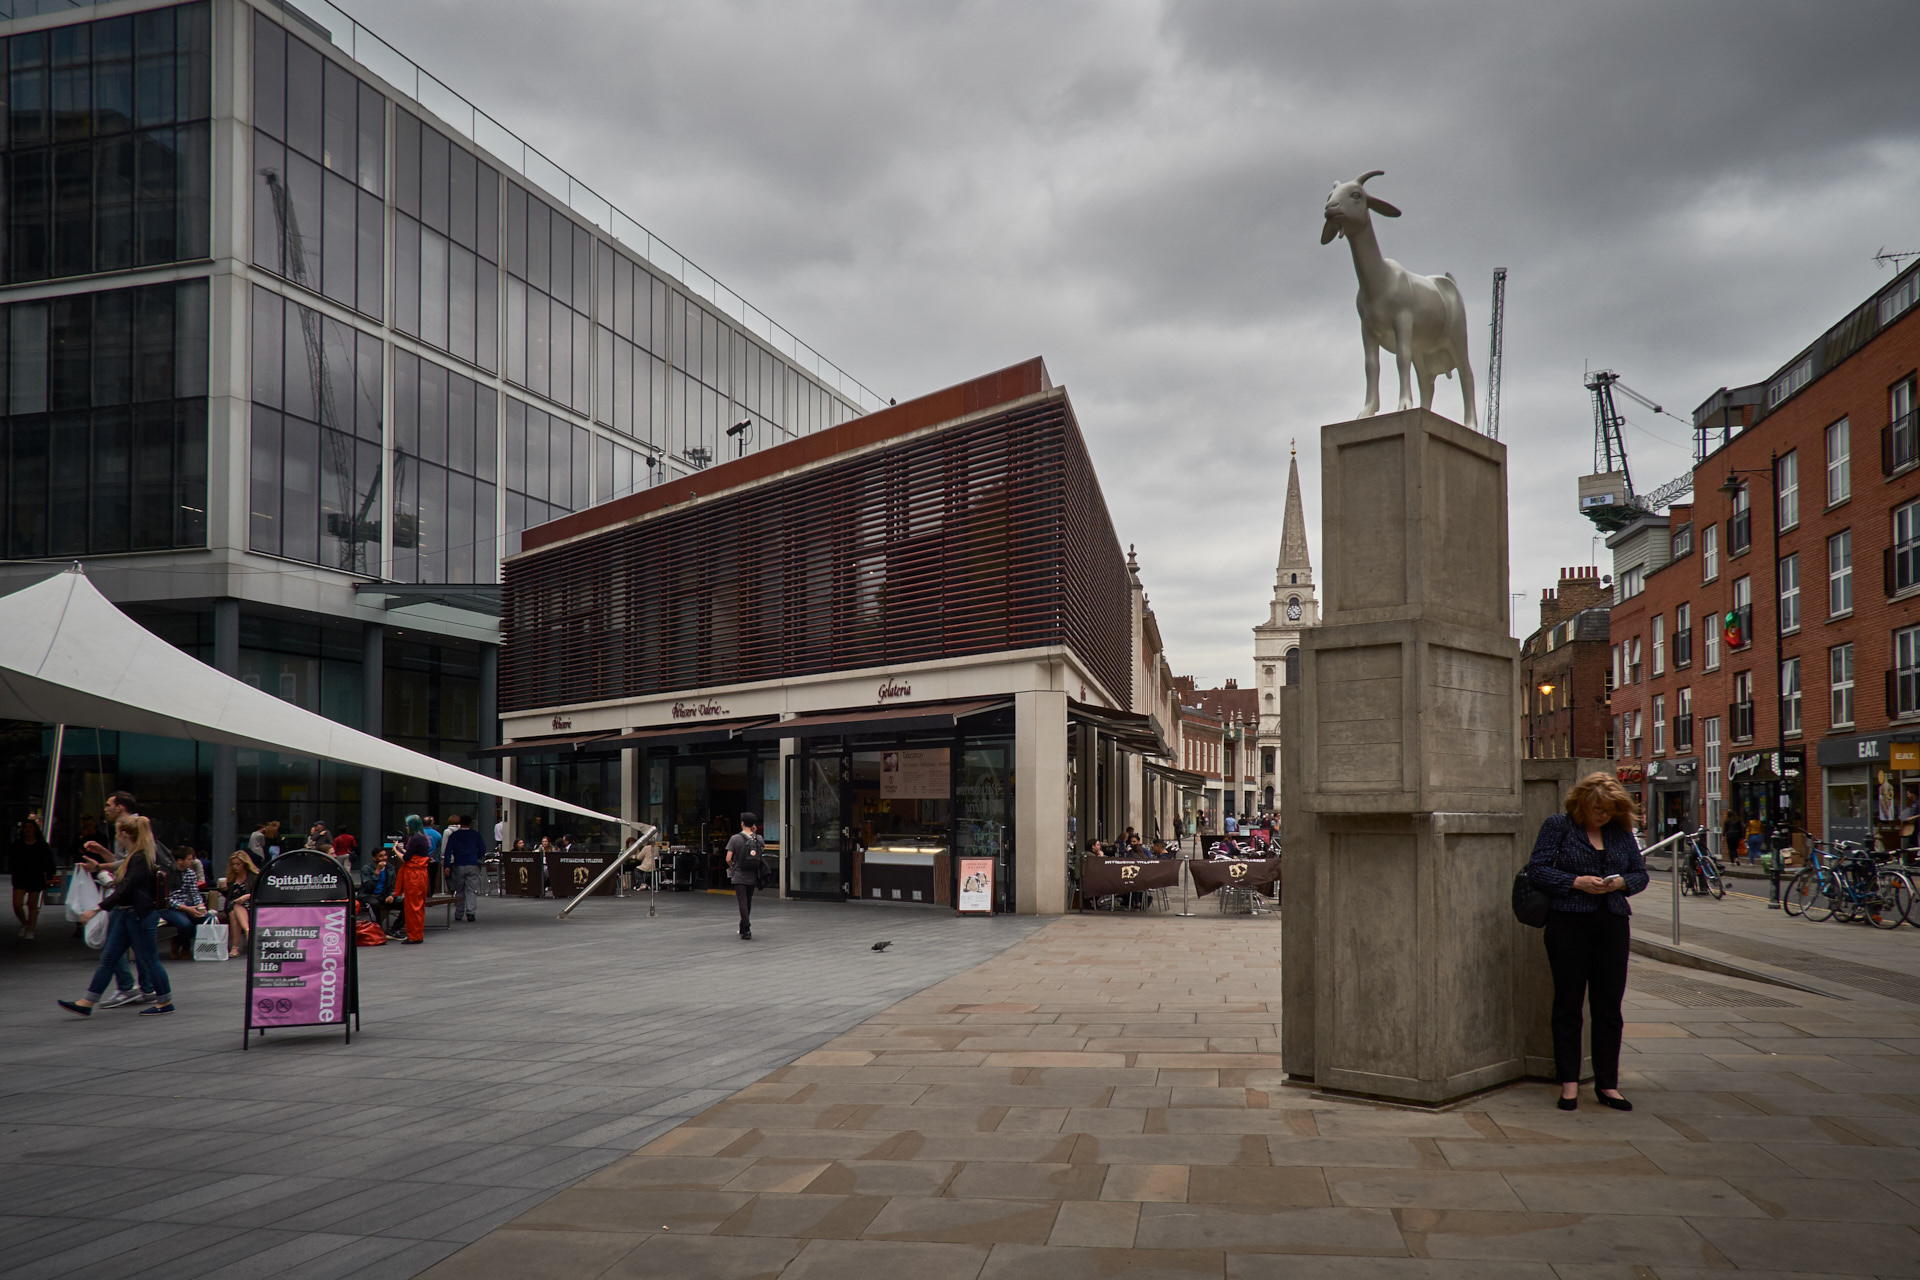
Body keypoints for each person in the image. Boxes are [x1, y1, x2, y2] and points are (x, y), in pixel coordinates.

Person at [1526, 771, 1649, 1113]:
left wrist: (1620, 882)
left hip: (1612, 923)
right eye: (1598, 809)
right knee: (1568, 1003)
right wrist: (1576, 881)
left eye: (1609, 810)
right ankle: (1568, 1083)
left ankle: (1607, 1084)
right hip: (1568, 923)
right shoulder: (1558, 826)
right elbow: (1537, 869)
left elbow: (1641, 874)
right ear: (1581, 803)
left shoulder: (1620, 831)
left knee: (1609, 1007)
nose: (1603, 816)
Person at [61, 816, 174, 1017]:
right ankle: (87, 1001)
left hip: (138, 916)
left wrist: (95, 909)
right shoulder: (136, 856)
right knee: (109, 958)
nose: (116, 838)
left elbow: (124, 890)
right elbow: (118, 866)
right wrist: (97, 866)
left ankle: (165, 1001)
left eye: (117, 834)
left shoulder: (139, 858)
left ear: (125, 834)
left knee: (149, 960)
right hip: (128, 914)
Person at [157, 844, 212, 960]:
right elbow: (166, 898)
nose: (192, 861)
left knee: (207, 917)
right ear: (180, 860)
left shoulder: (190, 873)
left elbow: (194, 893)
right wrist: (187, 909)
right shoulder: (165, 874)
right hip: (169, 907)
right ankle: (182, 946)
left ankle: (181, 943)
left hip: (186, 903)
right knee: (185, 924)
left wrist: (200, 905)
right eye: (189, 859)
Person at [9, 816, 56, 940]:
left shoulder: (41, 845)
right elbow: (12, 860)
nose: (27, 830)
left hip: (35, 876)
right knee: (17, 904)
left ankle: (31, 929)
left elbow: (48, 861)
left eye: (30, 827)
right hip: (20, 876)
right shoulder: (18, 844)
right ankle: (25, 923)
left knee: (32, 904)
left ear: (35, 830)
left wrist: (50, 874)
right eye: (25, 827)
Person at [725, 812, 763, 940]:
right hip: (752, 874)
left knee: (742, 901)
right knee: (748, 901)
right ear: (753, 824)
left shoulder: (735, 838)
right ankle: (743, 926)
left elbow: (728, 858)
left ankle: (746, 929)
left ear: (742, 823)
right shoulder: (759, 839)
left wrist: (732, 866)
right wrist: (755, 833)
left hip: (739, 874)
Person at [398, 815, 433, 945]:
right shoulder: (423, 838)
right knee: (418, 906)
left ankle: (414, 935)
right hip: (421, 875)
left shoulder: (414, 838)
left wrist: (396, 850)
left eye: (407, 825)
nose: (406, 828)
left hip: (414, 876)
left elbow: (406, 858)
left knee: (412, 907)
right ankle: (417, 934)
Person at [443, 814, 484, 923]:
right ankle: (471, 912)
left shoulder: (454, 835)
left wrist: (446, 865)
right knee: (471, 889)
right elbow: (482, 849)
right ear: (470, 823)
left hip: (459, 864)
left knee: (459, 889)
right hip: (472, 863)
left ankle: (459, 912)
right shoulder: (475, 835)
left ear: (460, 823)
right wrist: (477, 857)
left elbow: (448, 851)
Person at [217, 851, 258, 958]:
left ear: (244, 863)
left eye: (238, 864)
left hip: (250, 904)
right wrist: (223, 889)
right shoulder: (231, 877)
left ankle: (235, 947)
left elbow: (260, 892)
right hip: (233, 903)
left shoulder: (254, 876)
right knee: (235, 906)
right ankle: (247, 931)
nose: (235, 867)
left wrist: (247, 896)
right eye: (233, 864)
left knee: (234, 913)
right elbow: (229, 896)